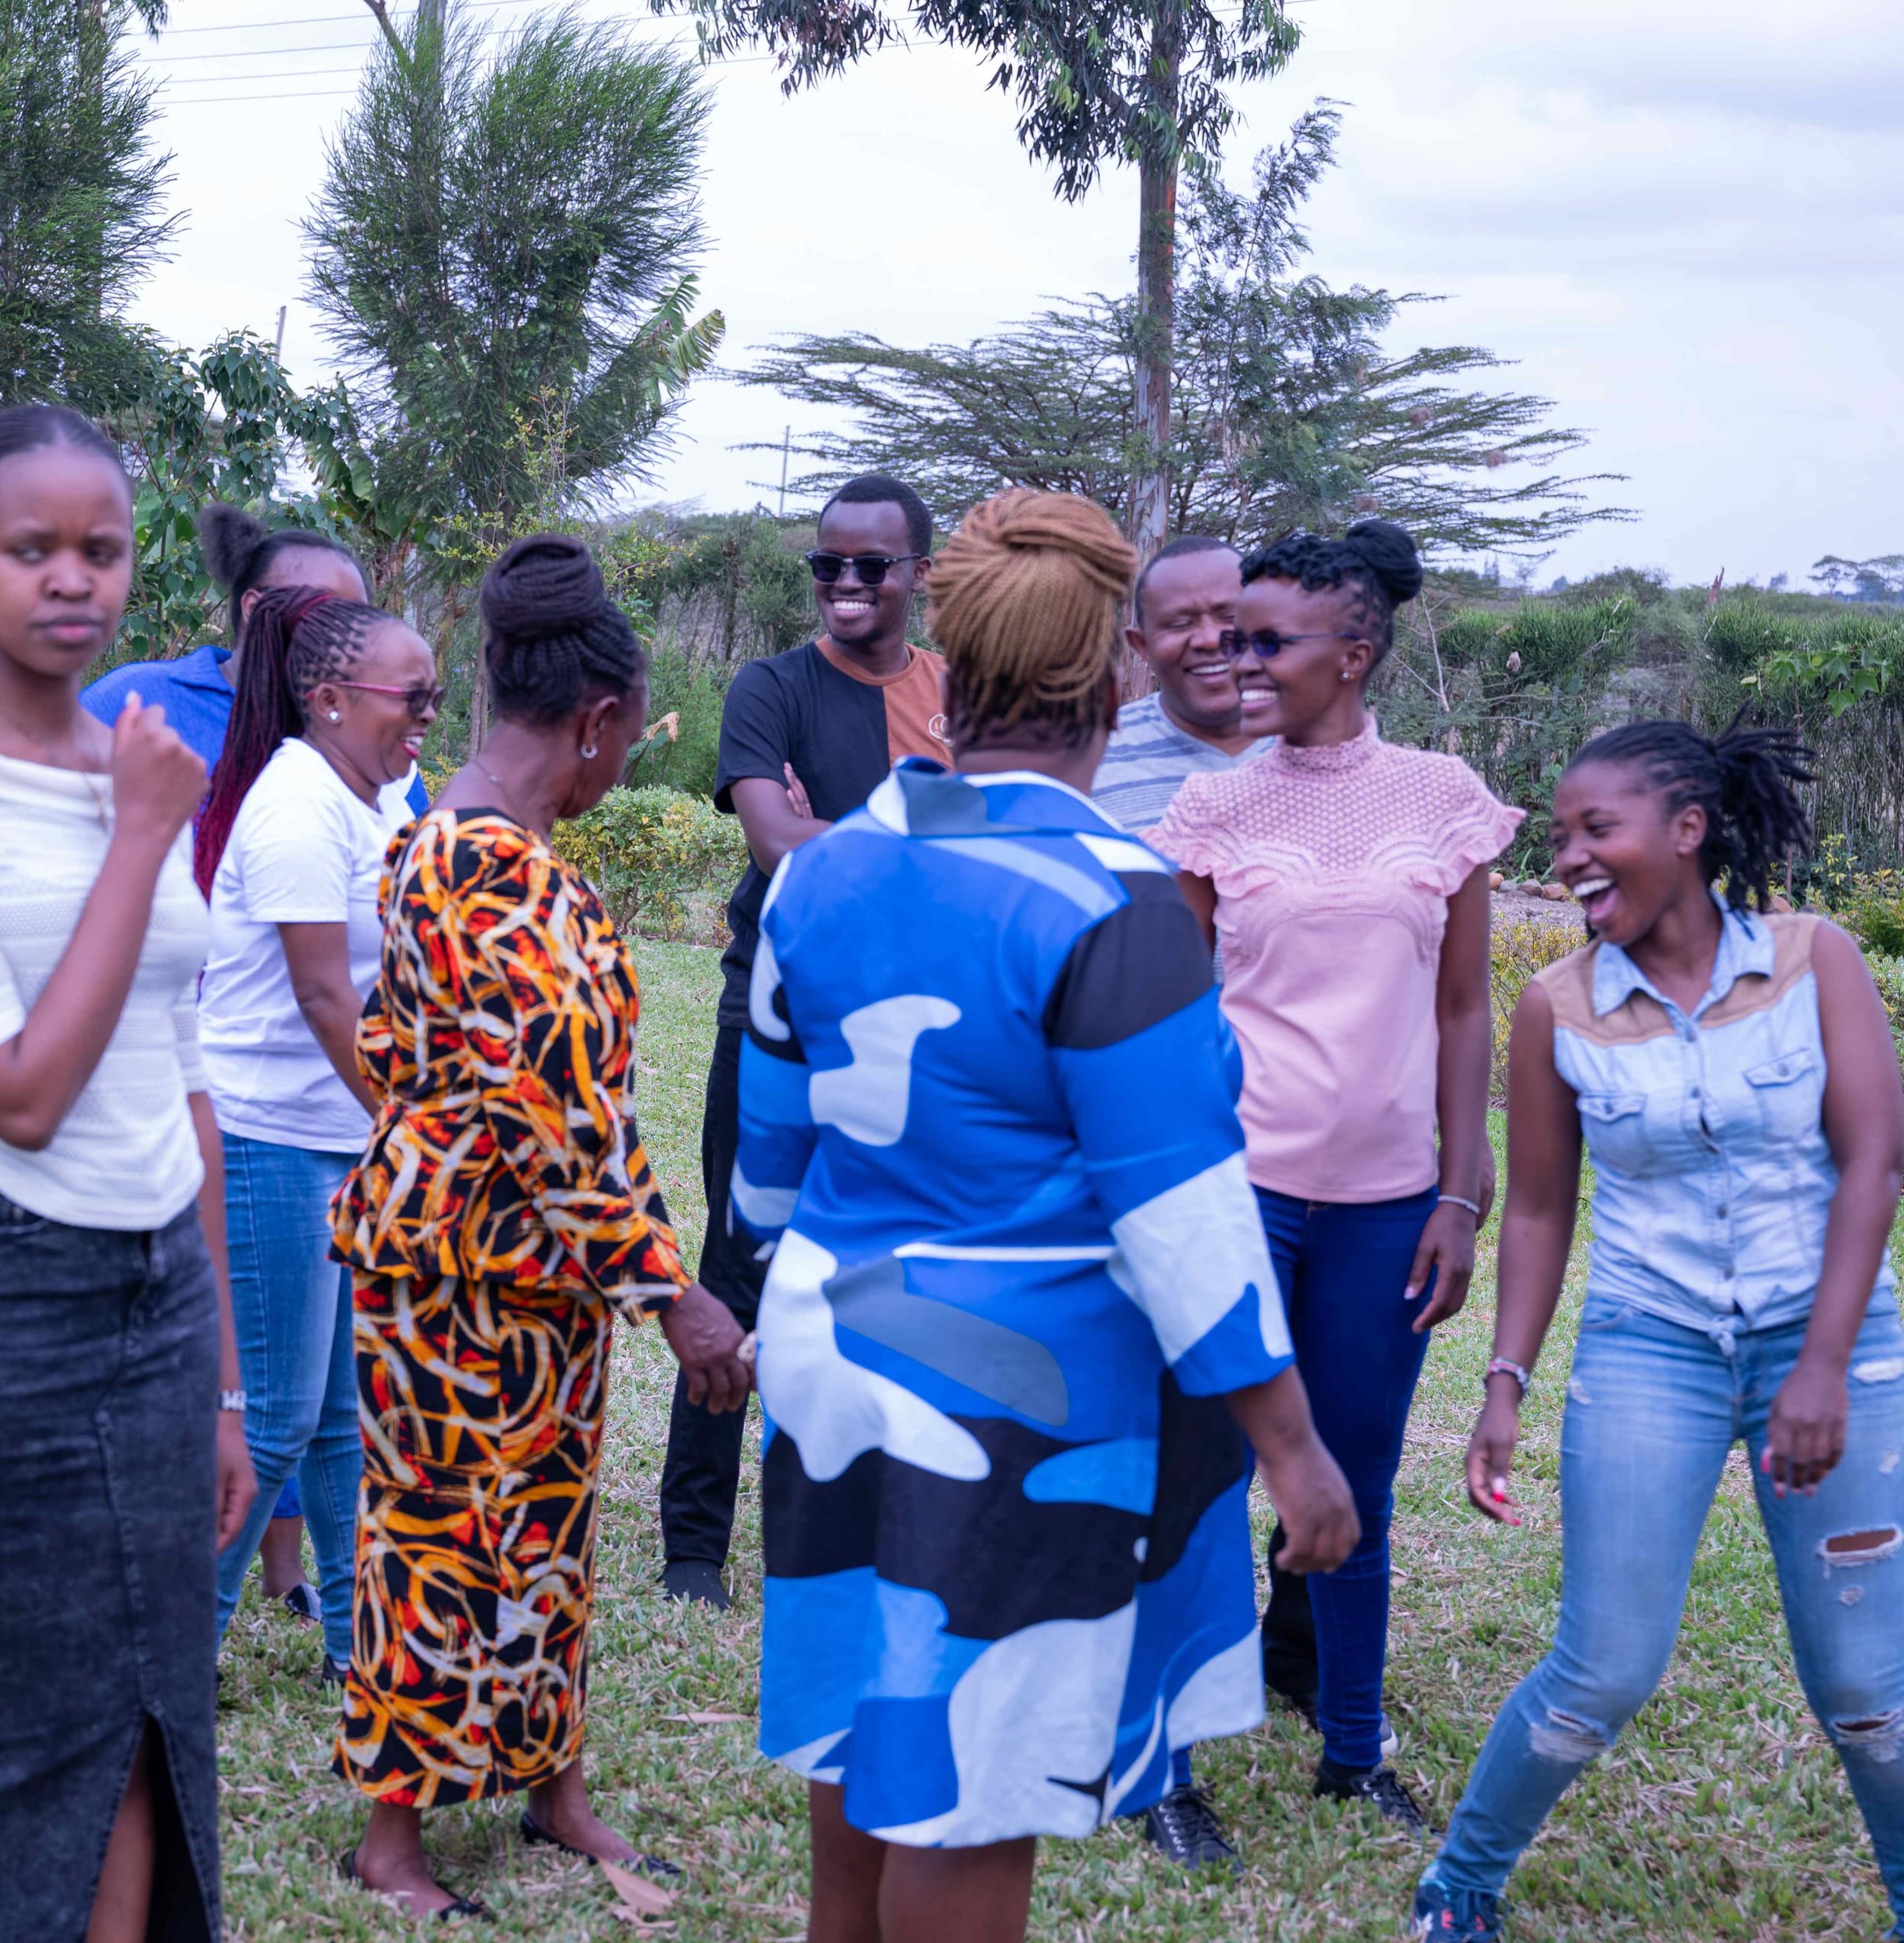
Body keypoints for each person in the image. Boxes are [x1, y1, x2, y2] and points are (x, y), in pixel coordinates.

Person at [737, 487, 1358, 1943]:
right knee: (978, 1772)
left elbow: (768, 1168)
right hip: (1021, 1398)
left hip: (835, 1347)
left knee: (874, 1719)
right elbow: (1182, 1216)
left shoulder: (818, 870)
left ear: (946, 659)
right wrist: (1291, 1443)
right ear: (1118, 672)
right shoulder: (1115, 896)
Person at [1411, 723, 1904, 1941]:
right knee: (1603, 1669)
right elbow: (1541, 1207)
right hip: (1651, 1345)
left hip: (1835, 1347)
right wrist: (1505, 1380)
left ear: (1688, 829)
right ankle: (1460, 1886)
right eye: (1561, 837)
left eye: (1598, 829)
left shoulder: (1818, 960)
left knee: (1867, 1688)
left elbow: (1875, 1164)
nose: (1573, 855)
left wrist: (1818, 1363)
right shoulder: (1556, 1007)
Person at [0, 404, 256, 1941]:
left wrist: (217, 1376)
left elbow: (181, 1072)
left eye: (103, 549)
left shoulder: (133, 762)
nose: (72, 580)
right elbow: (16, 1091)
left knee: (146, 1702)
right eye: (34, 550)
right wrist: (141, 838)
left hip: (151, 1296)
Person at [330, 534, 755, 1918]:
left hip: (528, 1271)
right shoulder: (489, 868)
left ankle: (549, 1785)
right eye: (626, 736)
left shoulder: (449, 842)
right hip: (458, 1270)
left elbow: (409, 1053)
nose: (624, 759)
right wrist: (672, 1291)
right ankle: (394, 1844)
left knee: (548, 1533)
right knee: (437, 1538)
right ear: (591, 722)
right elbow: (554, 1108)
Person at [1145, 520, 1520, 1860]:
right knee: (1194, 1477)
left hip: (1387, 1204)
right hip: (1239, 1192)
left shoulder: (1444, 798)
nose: (1234, 657)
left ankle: (1354, 1753)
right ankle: (1164, 1771)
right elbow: (1173, 1018)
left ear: (1353, 652)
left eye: (1266, 639)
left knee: (1356, 1473)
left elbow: (1467, 1009)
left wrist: (1461, 1195)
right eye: (1228, 633)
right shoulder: (1214, 806)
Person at [661, 472, 947, 1611]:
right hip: (775, 1023)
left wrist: (841, 829)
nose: (842, 585)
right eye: (826, 564)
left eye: (869, 566)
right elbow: (775, 842)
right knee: (740, 1266)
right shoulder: (770, 686)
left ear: (919, 572)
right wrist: (920, 828)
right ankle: (694, 1550)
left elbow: (847, 840)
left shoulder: (955, 692)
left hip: (915, 1038)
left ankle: (862, 1534)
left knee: (888, 1277)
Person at [191, 584, 441, 1681]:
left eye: (437, 693)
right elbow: (322, 995)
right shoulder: (297, 804)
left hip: (341, 1131)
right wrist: (409, 1122)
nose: (428, 713)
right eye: (412, 695)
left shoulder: (382, 799)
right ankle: (171, 1649)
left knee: (347, 1415)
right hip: (268, 1134)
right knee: (281, 1416)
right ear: (331, 699)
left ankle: (360, 1646)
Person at [1089, 535, 1271, 835]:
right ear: (1142, 645)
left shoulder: (1328, 746)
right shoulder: (1091, 762)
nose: (1210, 640)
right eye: (1179, 624)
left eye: (1231, 617)